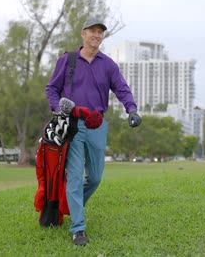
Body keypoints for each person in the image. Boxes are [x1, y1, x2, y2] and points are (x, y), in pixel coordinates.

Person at [45, 17, 141, 246]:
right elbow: (51, 88)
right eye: (92, 31)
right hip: (73, 125)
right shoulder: (67, 61)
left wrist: (132, 110)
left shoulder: (107, 64)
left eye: (100, 32)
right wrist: (59, 109)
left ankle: (69, 205)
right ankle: (78, 228)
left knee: (95, 178)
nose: (96, 35)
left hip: (97, 125)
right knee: (75, 177)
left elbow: (122, 89)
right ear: (83, 34)